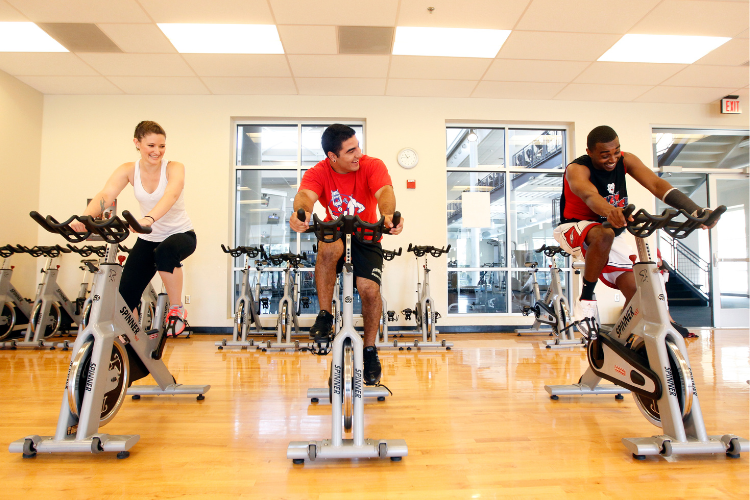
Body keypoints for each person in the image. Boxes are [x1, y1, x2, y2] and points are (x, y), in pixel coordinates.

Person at [554, 125, 713, 336]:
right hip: (574, 228)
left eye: (616, 152)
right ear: (589, 152)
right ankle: (586, 299)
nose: (612, 159)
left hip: (610, 231)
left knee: (639, 292)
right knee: (605, 233)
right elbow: (589, 195)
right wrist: (610, 211)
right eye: (605, 155)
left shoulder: (626, 160)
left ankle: (628, 337)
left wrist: (695, 210)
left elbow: (656, 184)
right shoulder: (577, 169)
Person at [290, 124, 404, 385]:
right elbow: (305, 196)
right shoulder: (319, 172)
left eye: (358, 147)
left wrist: (387, 214)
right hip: (337, 232)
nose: (358, 154)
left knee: (369, 290)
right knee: (329, 245)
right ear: (333, 156)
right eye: (350, 151)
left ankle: (370, 350)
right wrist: (301, 213)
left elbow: (385, 192)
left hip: (367, 235)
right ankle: (325, 316)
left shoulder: (371, 165)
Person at [71, 121, 195, 336]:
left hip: (180, 234)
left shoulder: (174, 167)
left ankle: (177, 309)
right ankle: (133, 339)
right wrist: (85, 218)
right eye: (151, 145)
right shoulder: (128, 169)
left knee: (165, 252)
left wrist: (149, 218)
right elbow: (106, 195)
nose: (157, 151)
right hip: (148, 239)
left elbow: (171, 194)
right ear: (137, 143)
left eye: (162, 146)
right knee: (125, 296)